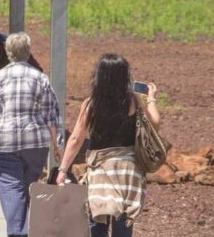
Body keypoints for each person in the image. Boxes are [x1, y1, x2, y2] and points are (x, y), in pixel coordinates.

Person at [56, 54, 160, 237]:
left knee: (97, 219)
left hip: (101, 170)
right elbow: (155, 124)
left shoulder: (91, 104)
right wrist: (151, 98)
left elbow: (76, 139)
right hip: (128, 170)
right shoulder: (132, 101)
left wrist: (63, 169)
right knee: (123, 223)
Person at [0, 32, 61, 237]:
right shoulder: (41, 78)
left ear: (7, 52)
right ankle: (25, 227)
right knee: (28, 185)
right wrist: (56, 145)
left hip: (2, 142)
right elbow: (51, 114)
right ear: (28, 52)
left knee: (11, 186)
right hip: (35, 143)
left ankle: (17, 232)